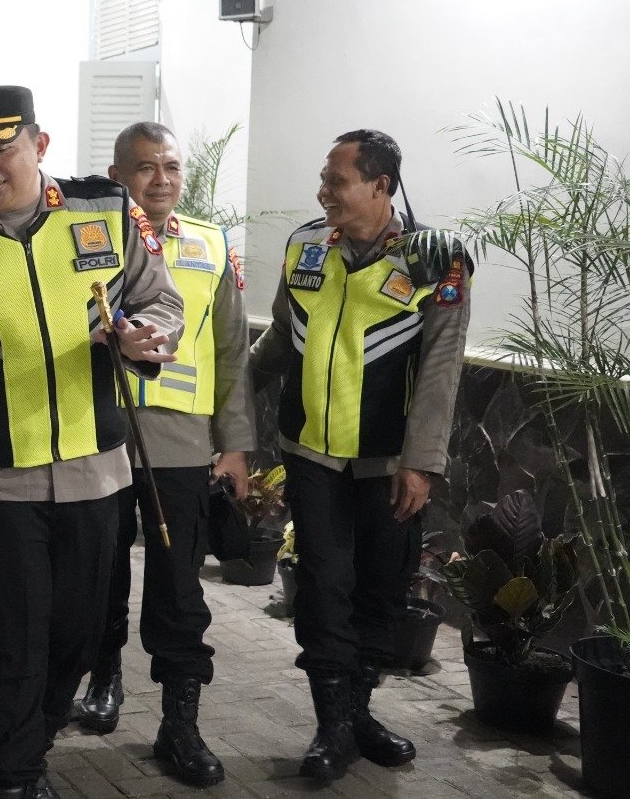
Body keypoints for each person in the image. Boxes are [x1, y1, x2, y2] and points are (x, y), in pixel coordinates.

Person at [0, 86, 184, 799]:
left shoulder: (104, 211)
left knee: (80, 635)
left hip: (95, 472)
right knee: (11, 640)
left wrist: (144, 335)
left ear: (40, 145)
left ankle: (25, 741)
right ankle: (8, 774)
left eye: (1, 149)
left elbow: (160, 299)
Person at [249, 129, 471, 785]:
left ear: (381, 185)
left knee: (381, 588)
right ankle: (333, 726)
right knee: (324, 587)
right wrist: (225, 405)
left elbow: (442, 366)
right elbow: (281, 338)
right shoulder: (306, 246)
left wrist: (421, 463)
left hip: (388, 462)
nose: (323, 191)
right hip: (311, 454)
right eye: (324, 179)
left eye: (337, 180)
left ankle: (356, 714)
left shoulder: (436, 259)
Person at [70, 122, 254, 787]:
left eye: (171, 167)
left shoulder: (212, 245)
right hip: (99, 434)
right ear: (117, 177)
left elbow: (231, 350)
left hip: (180, 444)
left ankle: (180, 722)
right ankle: (104, 676)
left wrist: (235, 445)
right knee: (100, 571)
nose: (161, 180)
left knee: (179, 587)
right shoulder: (84, 241)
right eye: (146, 167)